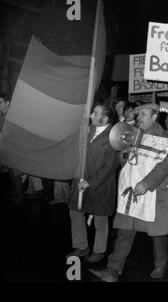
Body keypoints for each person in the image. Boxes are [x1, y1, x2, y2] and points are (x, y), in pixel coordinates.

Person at [90, 103, 168, 281]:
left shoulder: (166, 137)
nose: (139, 117)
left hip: (154, 191)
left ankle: (160, 265)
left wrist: (146, 183)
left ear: (154, 116)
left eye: (143, 114)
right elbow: (123, 161)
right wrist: (124, 154)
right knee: (125, 229)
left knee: (157, 233)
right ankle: (113, 269)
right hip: (132, 188)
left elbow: (164, 166)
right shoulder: (132, 134)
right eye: (138, 115)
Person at [67, 104, 119, 263]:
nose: (91, 115)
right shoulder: (87, 130)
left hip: (100, 184)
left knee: (100, 218)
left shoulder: (115, 135)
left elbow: (110, 166)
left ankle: (99, 250)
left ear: (106, 118)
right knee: (75, 212)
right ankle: (81, 246)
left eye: (95, 113)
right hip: (81, 178)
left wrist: (90, 182)